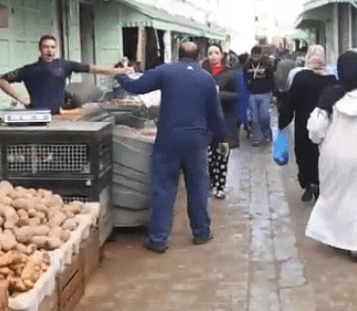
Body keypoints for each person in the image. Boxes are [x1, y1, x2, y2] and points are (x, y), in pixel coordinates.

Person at [114, 42, 228, 253]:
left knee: (165, 188)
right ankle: (201, 233)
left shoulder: (166, 71)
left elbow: (134, 87)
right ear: (199, 56)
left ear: (178, 55)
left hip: (168, 139)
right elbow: (215, 113)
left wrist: (119, 73)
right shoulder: (206, 78)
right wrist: (222, 139)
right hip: (196, 141)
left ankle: (158, 239)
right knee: (198, 187)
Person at [305, 51, 357, 262]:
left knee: (334, 198)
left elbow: (315, 130)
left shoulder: (330, 95)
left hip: (334, 157)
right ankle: (355, 246)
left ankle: (332, 236)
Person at [0, 35, 125, 114]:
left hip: (60, 114)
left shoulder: (64, 65)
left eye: (52, 47)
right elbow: (1, 81)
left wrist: (116, 71)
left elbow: (90, 68)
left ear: (55, 49)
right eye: (46, 47)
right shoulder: (30, 70)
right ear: (40, 49)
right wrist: (19, 97)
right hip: (37, 115)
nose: (49, 50)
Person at [278, 45, 337, 202]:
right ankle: (319, 183)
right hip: (326, 125)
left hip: (303, 124)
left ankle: (308, 183)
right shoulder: (331, 78)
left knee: (304, 155)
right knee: (321, 155)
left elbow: (290, 101)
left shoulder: (299, 77)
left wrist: (283, 121)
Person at [202, 44, 239, 199]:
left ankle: (220, 186)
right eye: (210, 53)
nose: (213, 56)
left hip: (225, 121)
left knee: (222, 156)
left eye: (216, 53)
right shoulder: (203, 73)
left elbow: (238, 96)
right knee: (209, 157)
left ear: (222, 55)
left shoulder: (230, 74)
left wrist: (218, 94)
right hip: (207, 121)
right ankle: (211, 185)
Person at [244, 46, 275, 146]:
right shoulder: (247, 65)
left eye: (258, 55)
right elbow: (244, 78)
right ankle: (257, 138)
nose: (256, 58)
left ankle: (266, 134)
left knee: (265, 116)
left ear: (261, 55)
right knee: (255, 118)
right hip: (252, 94)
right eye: (254, 56)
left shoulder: (266, 65)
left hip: (264, 93)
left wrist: (272, 92)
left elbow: (271, 78)